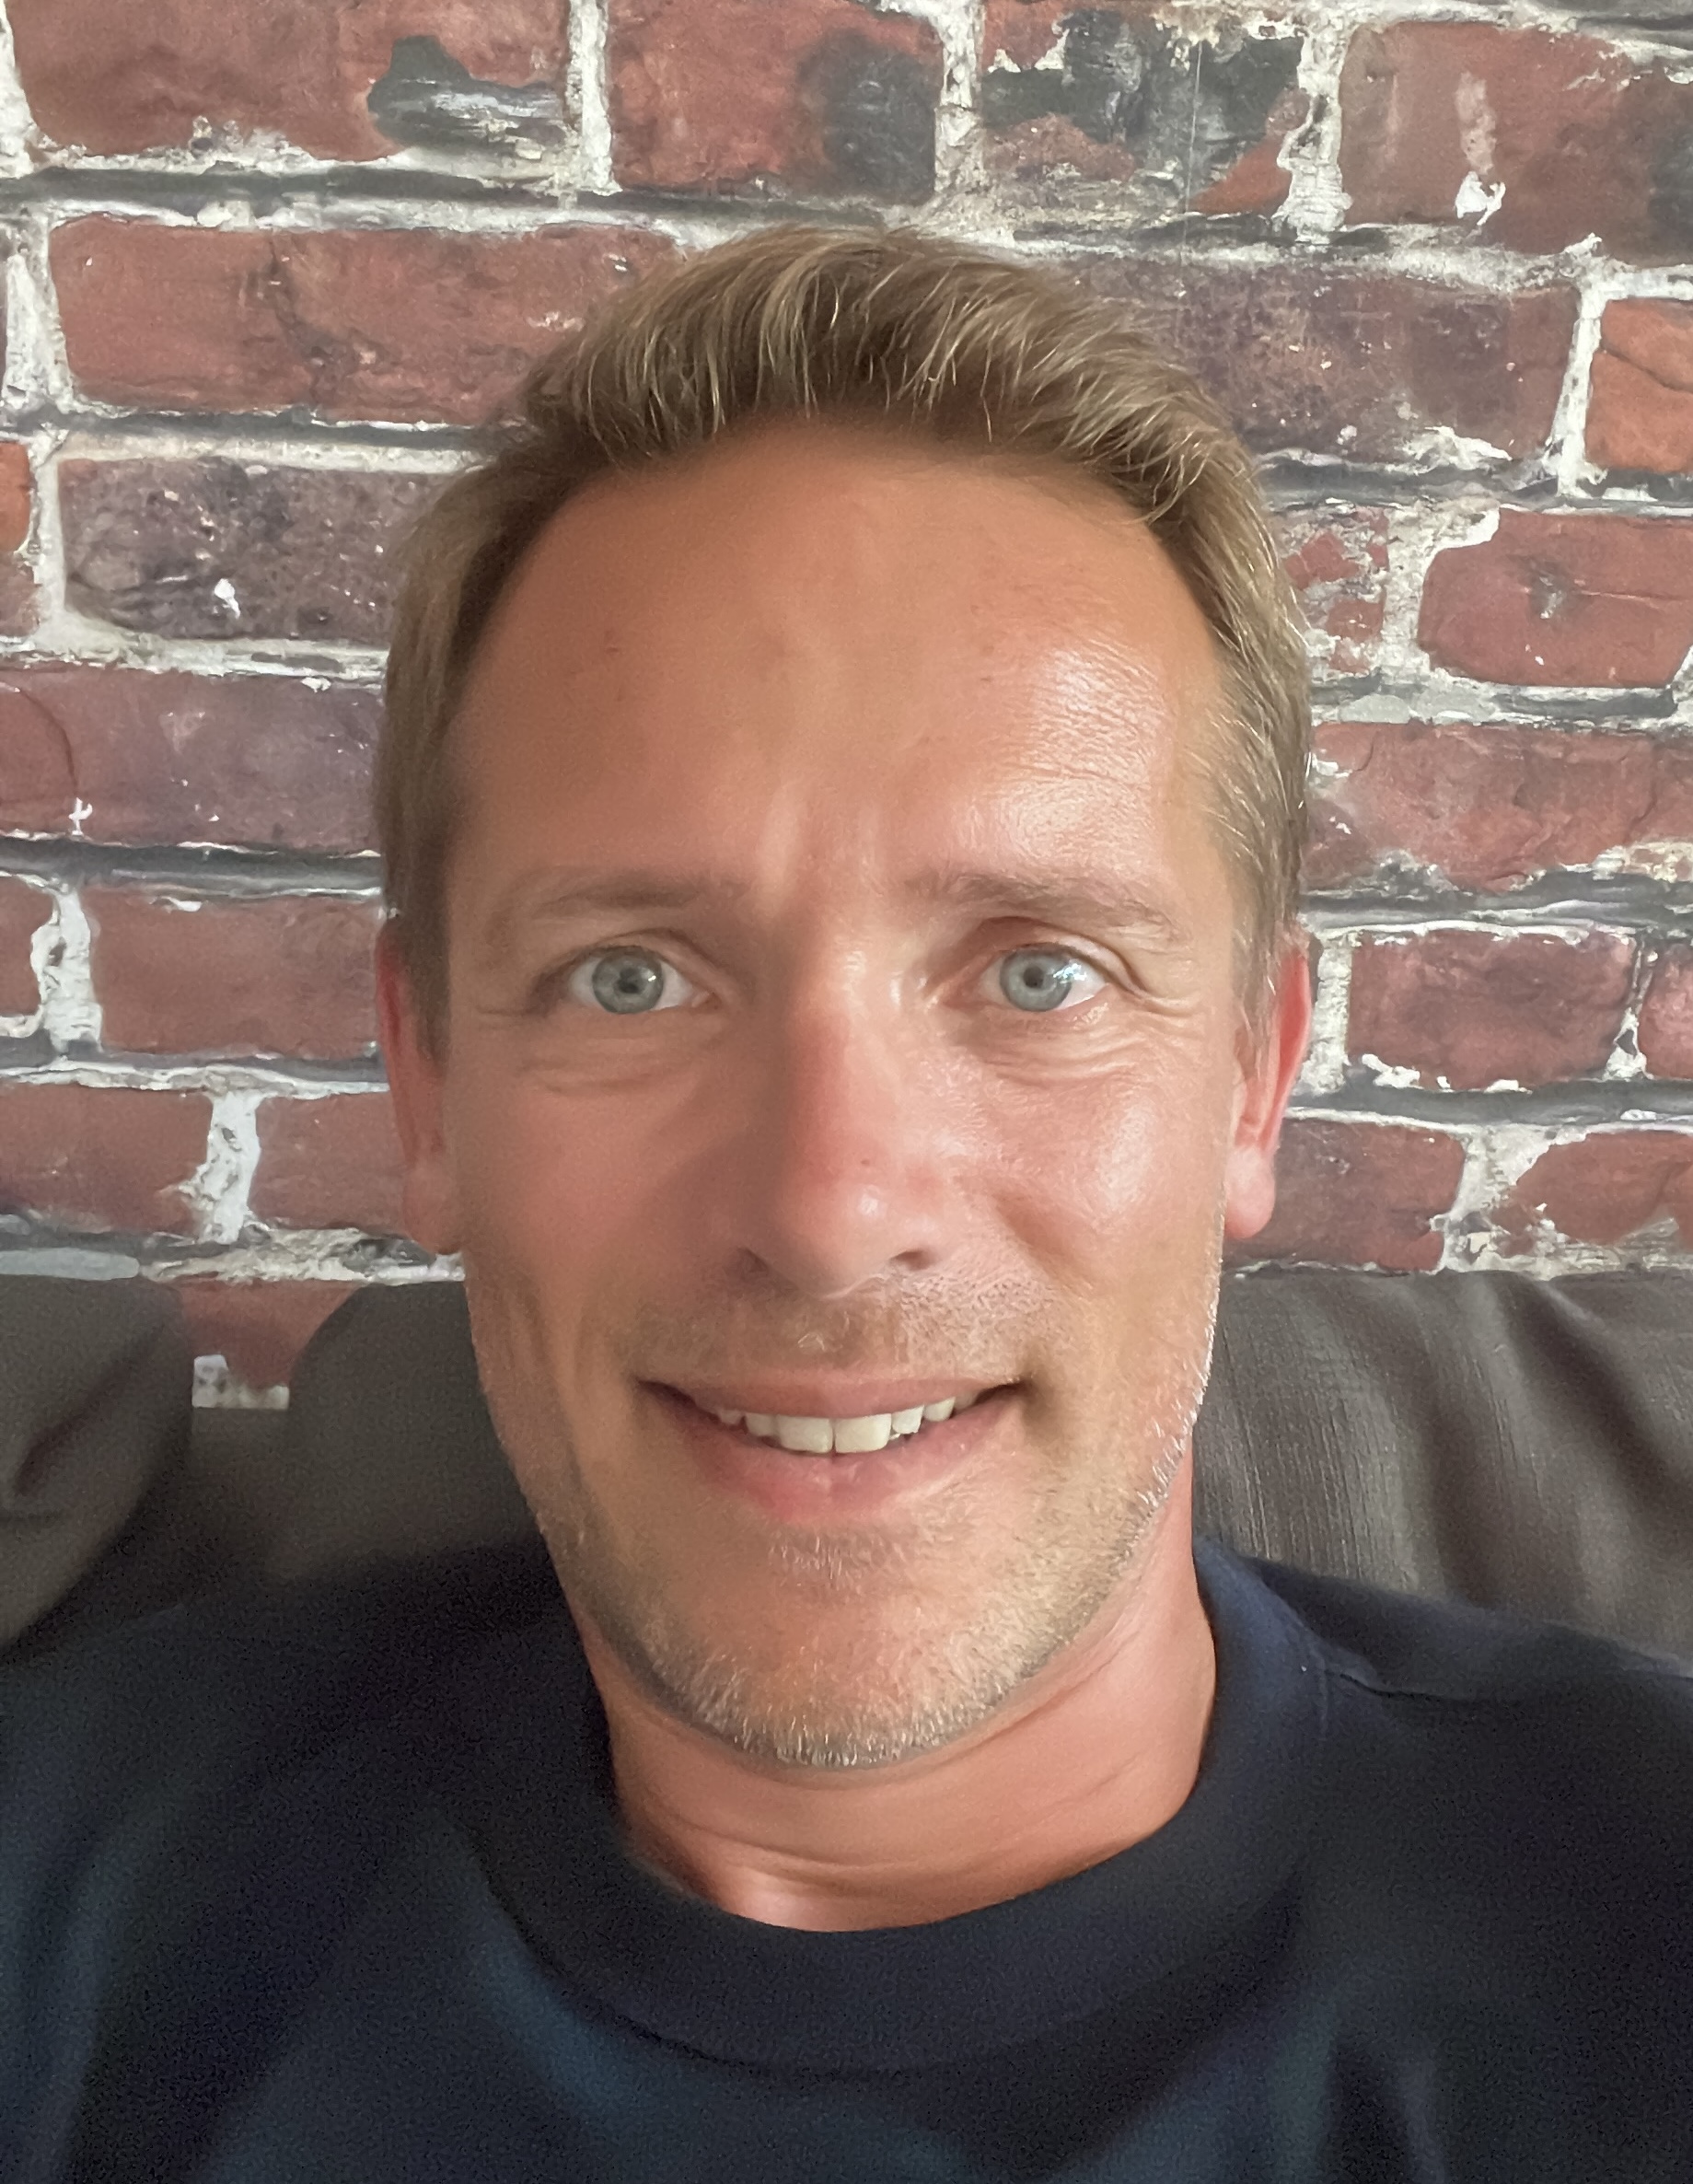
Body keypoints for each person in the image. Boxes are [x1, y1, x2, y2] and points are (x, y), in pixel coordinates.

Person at [4, 225, 1690, 2181]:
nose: (825, 1208)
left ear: (1251, 1072)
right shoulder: (66, 1884)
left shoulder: (1640, 1933)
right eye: (630, 978)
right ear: (430, 1079)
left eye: (1037, 971)